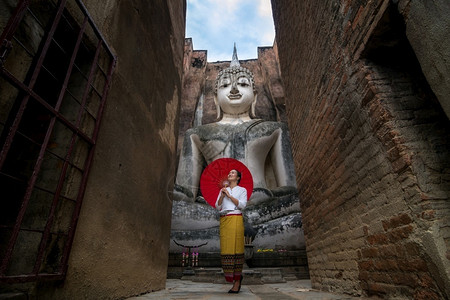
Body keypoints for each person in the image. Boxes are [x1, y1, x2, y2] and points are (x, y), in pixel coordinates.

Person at [174, 46, 297, 205]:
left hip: (261, 202)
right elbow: (186, 194)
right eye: (225, 86)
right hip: (216, 206)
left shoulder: (275, 130)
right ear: (216, 99)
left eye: (243, 84)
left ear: (254, 96)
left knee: (295, 207)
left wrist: (267, 194)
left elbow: (291, 189)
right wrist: (184, 196)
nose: (233, 90)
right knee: (178, 213)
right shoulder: (197, 134)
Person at [215, 169, 247, 293]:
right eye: (229, 173)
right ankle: (231, 277)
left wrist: (230, 196)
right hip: (224, 219)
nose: (230, 174)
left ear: (238, 177)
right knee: (226, 249)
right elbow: (218, 206)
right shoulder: (223, 190)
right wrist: (223, 196)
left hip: (236, 217)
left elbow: (242, 205)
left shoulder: (242, 190)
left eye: (233, 173)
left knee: (236, 248)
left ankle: (237, 280)